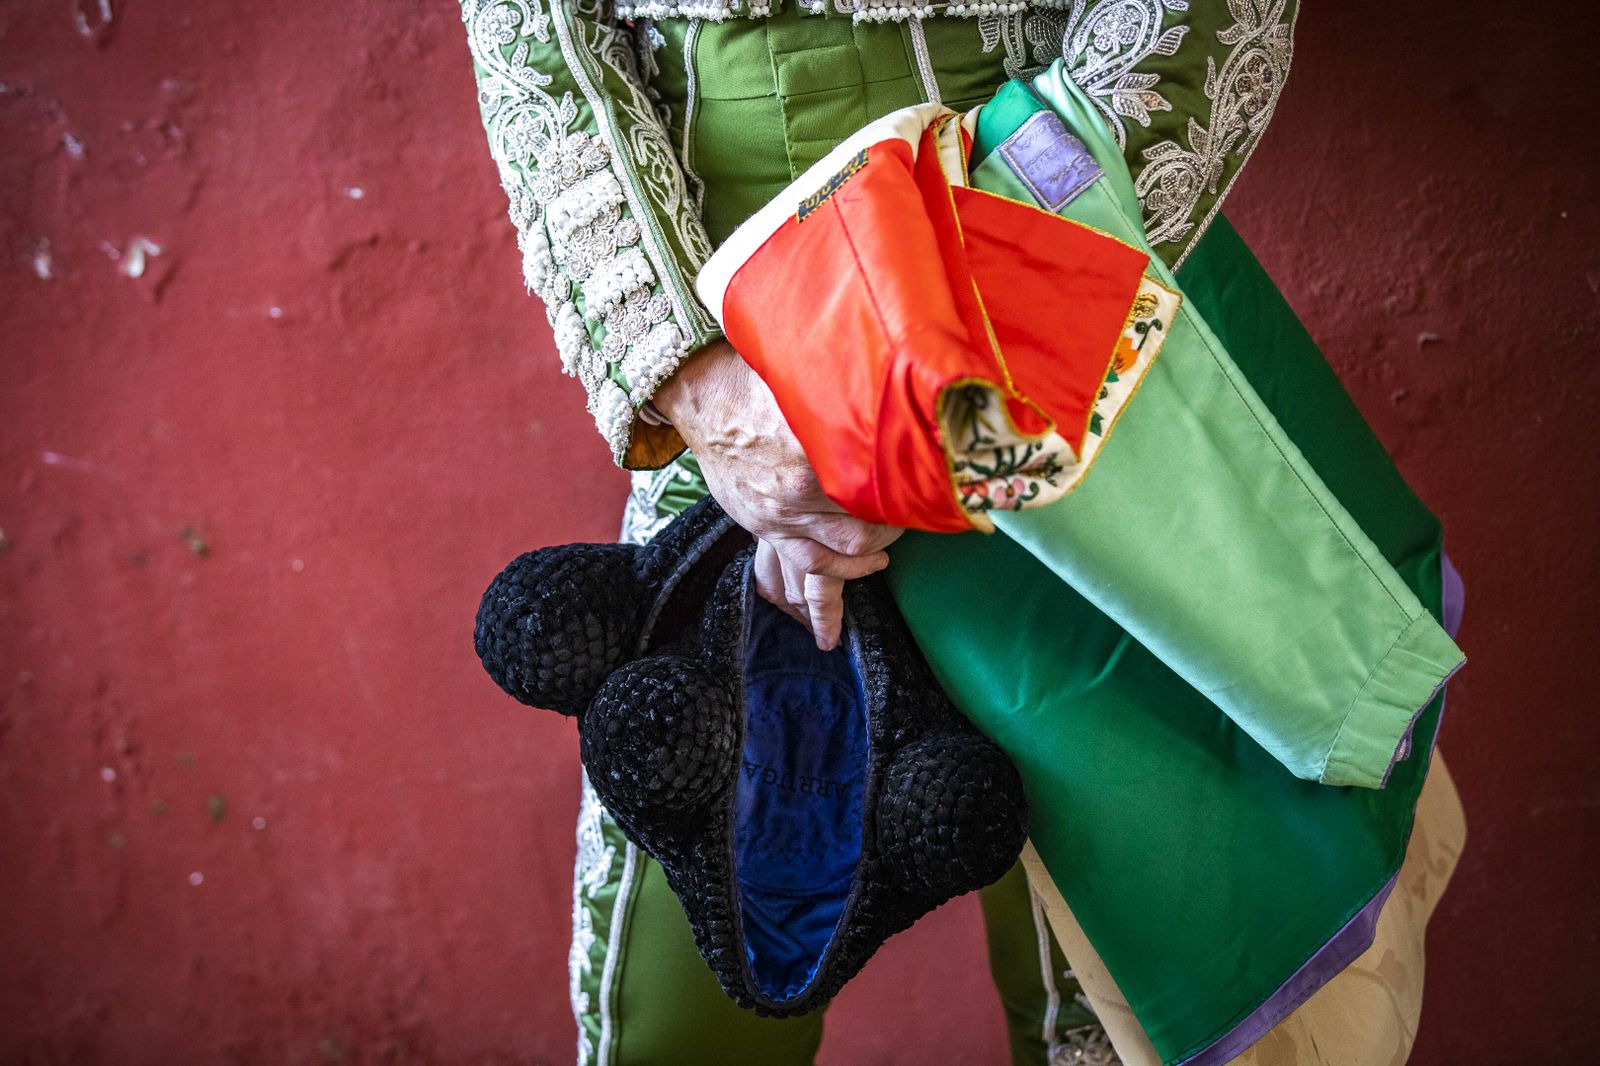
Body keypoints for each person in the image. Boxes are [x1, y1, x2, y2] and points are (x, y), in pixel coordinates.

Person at [459, 2, 1300, 1062]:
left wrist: (915, 395)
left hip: (1044, 305)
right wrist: (709, 395)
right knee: (678, 989)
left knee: (1117, 975)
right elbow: (539, 43)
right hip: (740, 364)